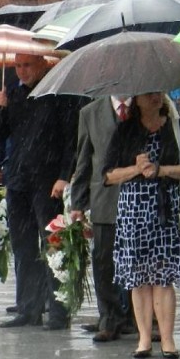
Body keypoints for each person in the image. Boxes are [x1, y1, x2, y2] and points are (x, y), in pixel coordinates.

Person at [104, 92, 180, 359]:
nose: (156, 97)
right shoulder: (124, 131)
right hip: (133, 210)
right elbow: (108, 175)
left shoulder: (176, 128)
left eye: (159, 92)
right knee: (138, 279)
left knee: (163, 277)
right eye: (149, 93)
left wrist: (161, 170)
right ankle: (144, 339)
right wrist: (135, 169)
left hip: (164, 210)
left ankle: (167, 340)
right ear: (137, 99)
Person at [0, 53, 80, 330]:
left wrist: (64, 175)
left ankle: (58, 309)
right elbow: (3, 136)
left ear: (43, 64)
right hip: (19, 179)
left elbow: (70, 139)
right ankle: (28, 308)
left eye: (27, 65)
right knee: (22, 246)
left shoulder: (58, 94)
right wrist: (0, 110)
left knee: (53, 245)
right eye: (18, 66)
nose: (21, 71)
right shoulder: (13, 95)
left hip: (47, 181)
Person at [69, 95, 133, 342]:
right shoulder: (90, 113)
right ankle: (109, 317)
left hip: (136, 196)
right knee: (103, 261)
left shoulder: (144, 104)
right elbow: (84, 159)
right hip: (104, 198)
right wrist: (78, 203)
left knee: (135, 260)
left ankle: (137, 318)